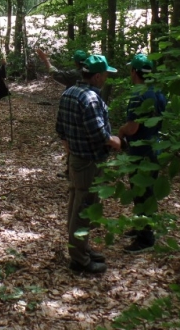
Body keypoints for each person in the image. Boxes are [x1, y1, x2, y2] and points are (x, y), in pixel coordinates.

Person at [55, 54, 121, 274]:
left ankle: (81, 248)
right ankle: (80, 260)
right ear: (97, 76)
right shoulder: (90, 98)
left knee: (77, 204)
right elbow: (99, 134)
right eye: (105, 75)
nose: (106, 79)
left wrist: (71, 150)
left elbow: (61, 130)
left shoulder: (70, 92)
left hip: (76, 159)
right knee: (83, 208)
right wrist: (118, 142)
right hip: (89, 161)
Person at [118, 53, 167, 253]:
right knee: (146, 192)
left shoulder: (140, 95)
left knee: (142, 193)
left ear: (134, 72)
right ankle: (141, 227)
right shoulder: (157, 92)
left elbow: (133, 127)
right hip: (154, 147)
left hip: (142, 151)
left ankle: (146, 239)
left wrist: (121, 131)